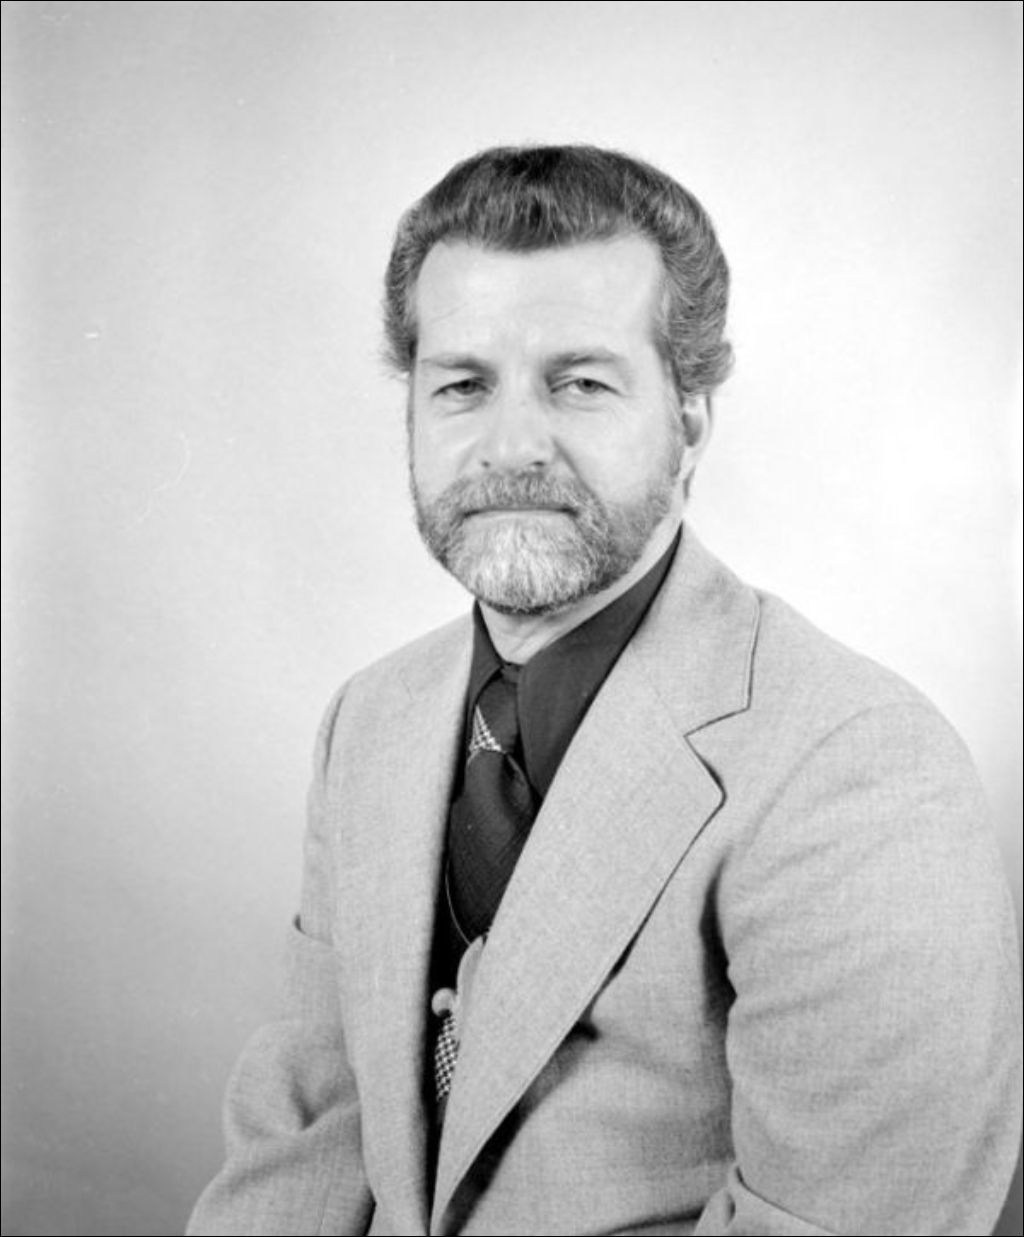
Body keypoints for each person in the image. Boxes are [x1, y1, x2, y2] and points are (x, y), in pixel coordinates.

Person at [187, 145, 1021, 1237]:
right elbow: (302, 1149)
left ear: (690, 420)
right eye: (462, 385)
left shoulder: (860, 772)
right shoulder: (368, 720)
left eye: (580, 382)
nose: (511, 445)